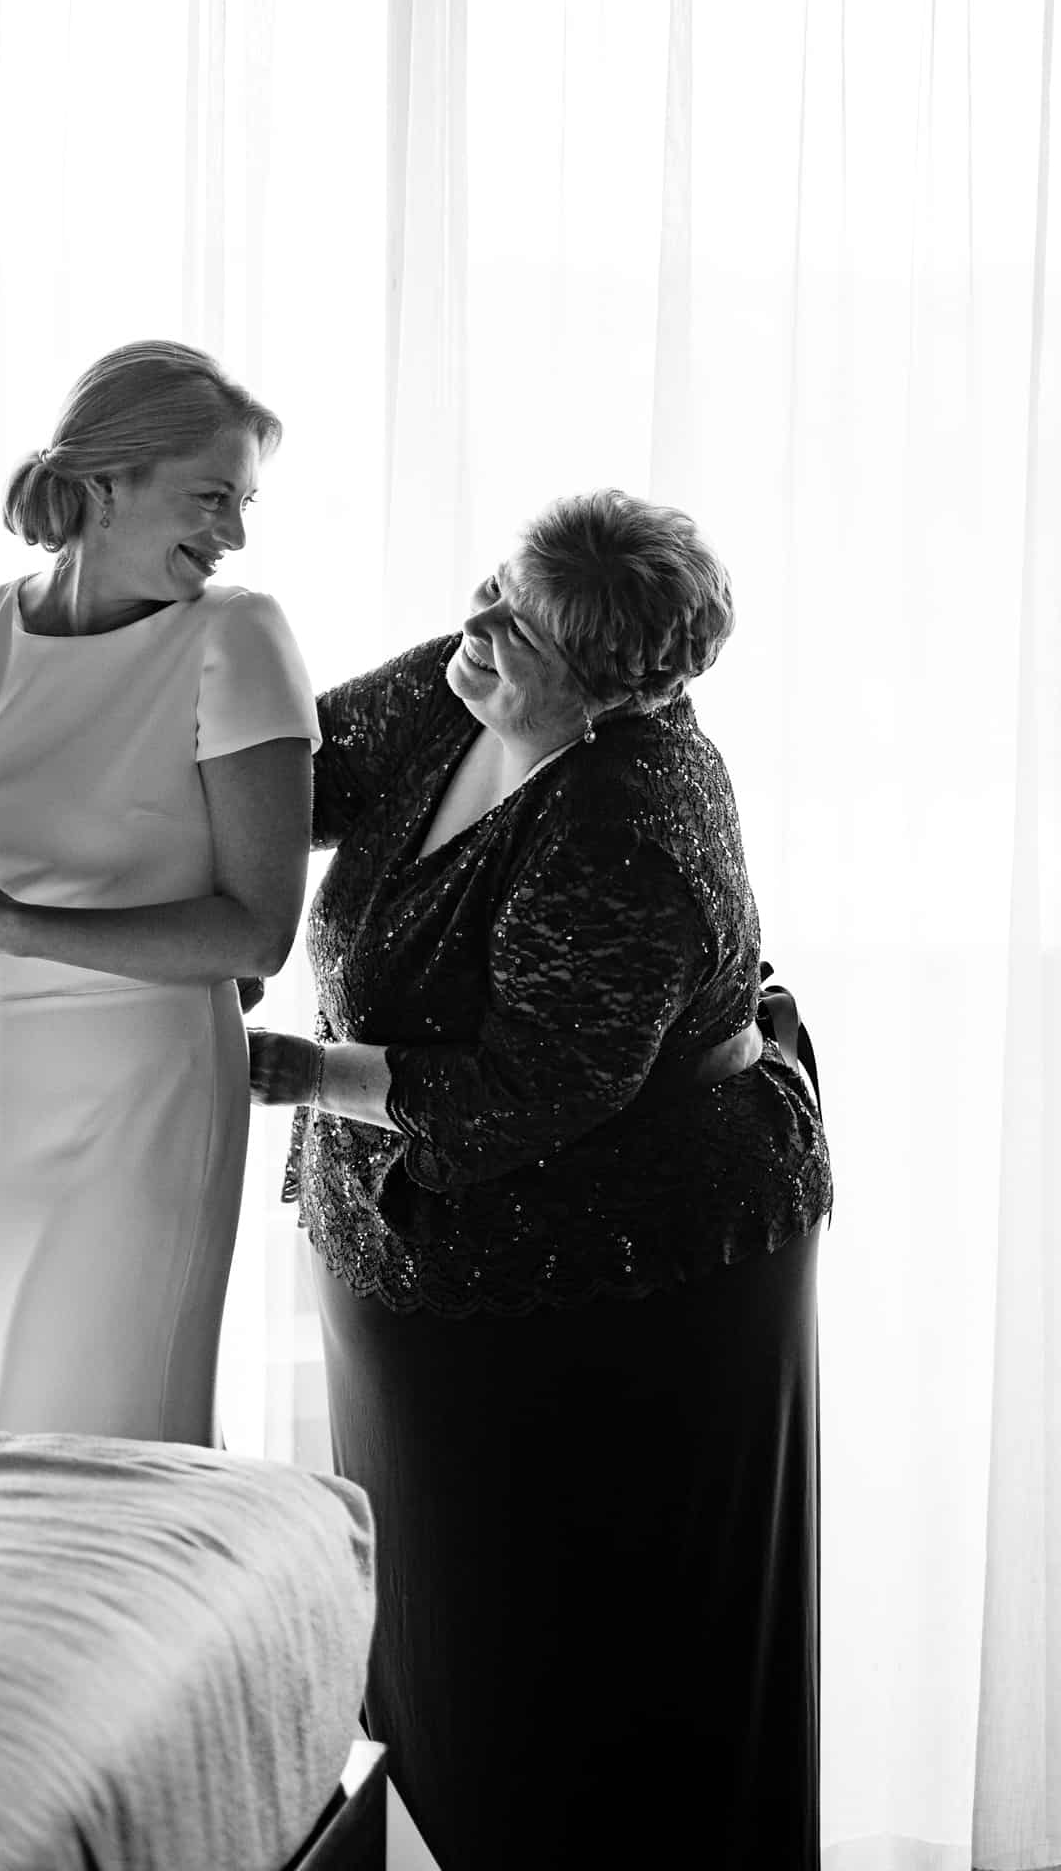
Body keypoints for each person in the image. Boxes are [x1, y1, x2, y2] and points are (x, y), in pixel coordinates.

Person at [248, 488, 832, 1870]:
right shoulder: (464, 682)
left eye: (518, 622)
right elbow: (283, 779)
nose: (477, 622)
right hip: (412, 1236)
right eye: (491, 585)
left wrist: (293, 1071)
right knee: (436, 1611)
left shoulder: (630, 820)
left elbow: (527, 1093)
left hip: (623, 1272)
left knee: (570, 1635)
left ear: (613, 691)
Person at [0, 340, 318, 1444]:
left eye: (243, 501)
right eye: (211, 495)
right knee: (8, 1418)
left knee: (123, 1429)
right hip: (8, 1085)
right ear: (105, 481)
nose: (232, 532)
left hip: (153, 1091)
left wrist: (16, 925)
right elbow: (3, 865)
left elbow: (257, 932)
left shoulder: (237, 635)